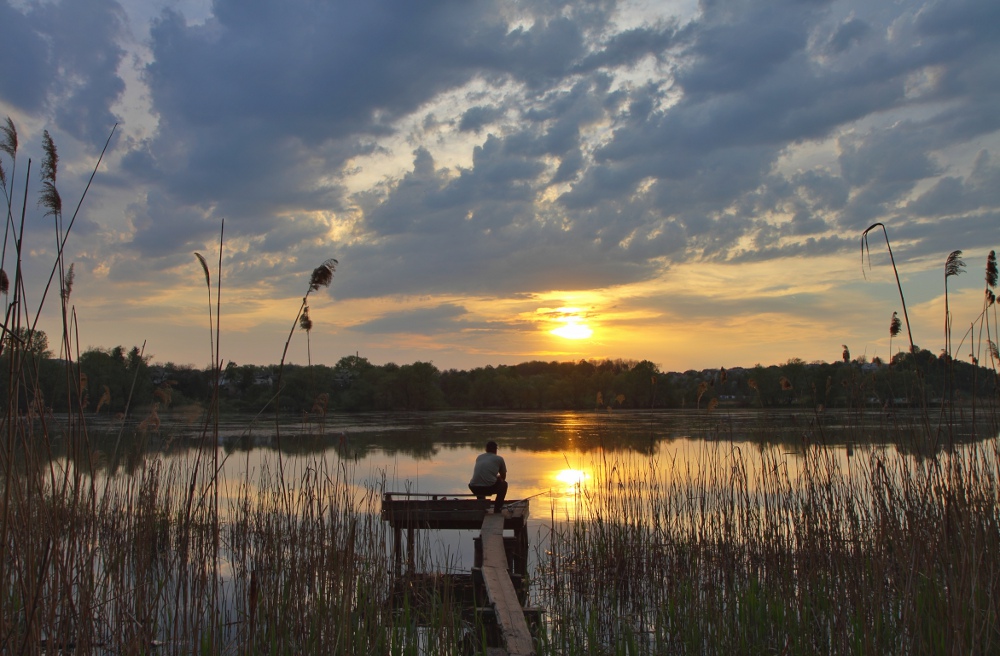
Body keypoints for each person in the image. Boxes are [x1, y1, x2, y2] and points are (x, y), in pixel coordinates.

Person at [468, 440, 507, 513]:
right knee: (504, 484)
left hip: (474, 487)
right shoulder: (499, 459)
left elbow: (483, 474)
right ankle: (497, 509)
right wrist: (498, 478)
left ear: (486, 449)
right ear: (495, 450)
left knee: (481, 483)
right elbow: (503, 477)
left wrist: (495, 478)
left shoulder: (479, 457)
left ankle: (481, 506)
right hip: (487, 488)